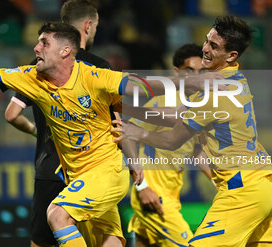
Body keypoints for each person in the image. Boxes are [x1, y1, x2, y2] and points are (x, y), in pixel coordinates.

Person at [0, 19, 224, 246]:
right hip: (78, 176)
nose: (36, 48)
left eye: (43, 43)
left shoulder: (95, 78)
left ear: (65, 51)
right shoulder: (32, 78)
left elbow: (141, 90)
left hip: (107, 171)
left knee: (57, 215)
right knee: (110, 242)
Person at [112, 16, 272, 247]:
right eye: (206, 41)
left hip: (242, 190)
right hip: (262, 183)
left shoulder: (209, 93)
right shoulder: (235, 78)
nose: (205, 49)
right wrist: (127, 109)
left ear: (231, 56)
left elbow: (171, 139)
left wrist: (138, 132)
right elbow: (176, 117)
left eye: (213, 46)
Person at [4, 0, 112, 247]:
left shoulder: (39, 67)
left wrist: (35, 132)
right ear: (87, 26)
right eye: (94, 27)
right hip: (92, 172)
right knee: (102, 238)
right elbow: (116, 125)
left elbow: (11, 114)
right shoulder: (101, 68)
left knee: (42, 241)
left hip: (50, 167)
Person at [126, 44, 211, 247]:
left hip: (170, 195)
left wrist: (218, 181)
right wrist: (142, 186)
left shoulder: (199, 105)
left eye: (201, 72)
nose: (196, 77)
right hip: (153, 195)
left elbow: (197, 150)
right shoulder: (162, 101)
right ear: (176, 72)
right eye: (190, 71)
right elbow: (127, 135)